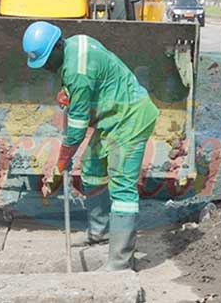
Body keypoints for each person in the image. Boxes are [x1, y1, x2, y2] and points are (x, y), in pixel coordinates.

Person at [21, 21, 158, 271]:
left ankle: (120, 262)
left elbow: (75, 132)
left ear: (57, 47)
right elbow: (93, 78)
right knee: (93, 166)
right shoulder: (76, 44)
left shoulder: (77, 73)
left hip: (130, 118)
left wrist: (60, 165)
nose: (47, 69)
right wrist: (69, 92)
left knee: (122, 188)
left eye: (47, 62)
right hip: (113, 116)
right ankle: (100, 231)